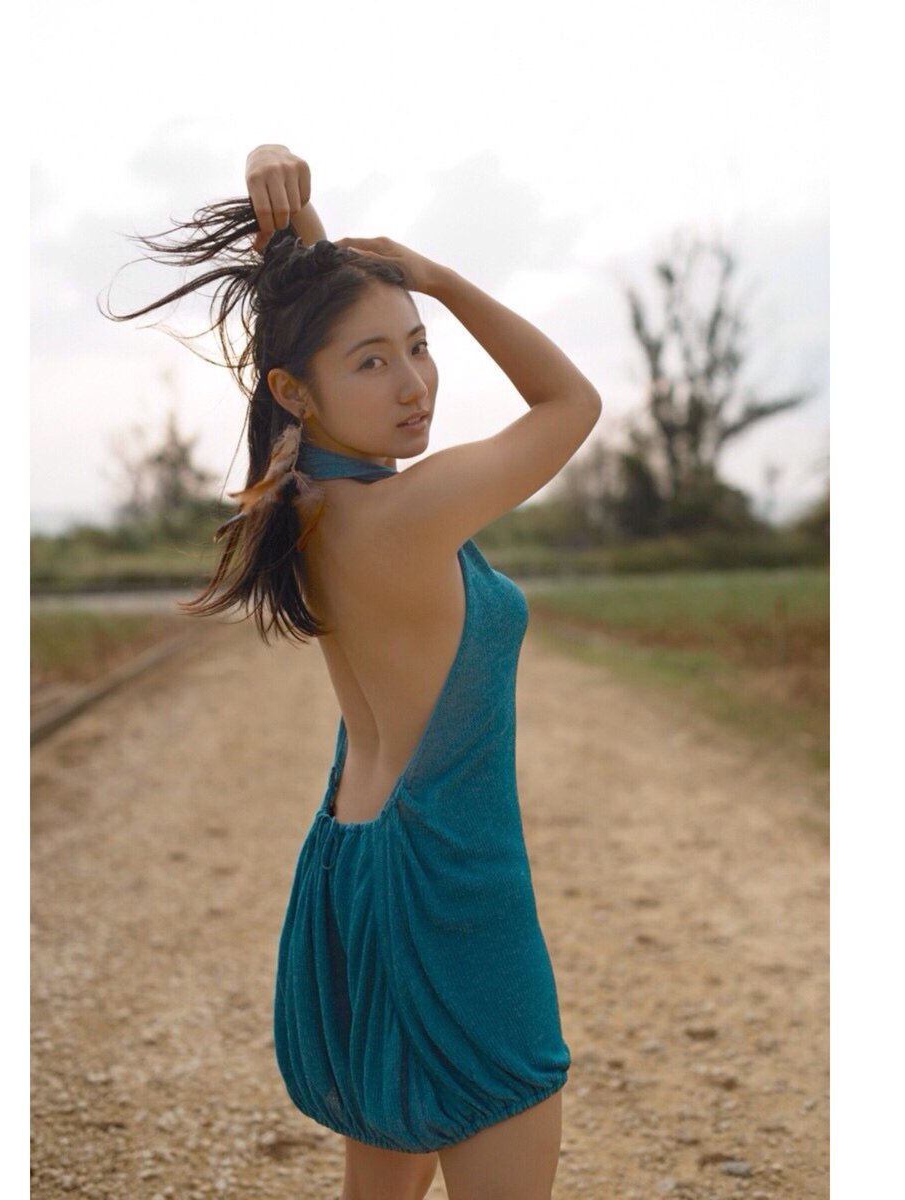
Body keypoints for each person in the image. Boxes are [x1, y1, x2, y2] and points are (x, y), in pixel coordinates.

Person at [102, 143, 602, 1200]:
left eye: (419, 347)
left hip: (355, 865)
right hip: (453, 887)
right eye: (376, 364)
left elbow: (313, 315)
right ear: (298, 389)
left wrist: (284, 201)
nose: (415, 385)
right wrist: (443, 282)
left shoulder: (307, 501)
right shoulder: (408, 510)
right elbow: (571, 403)